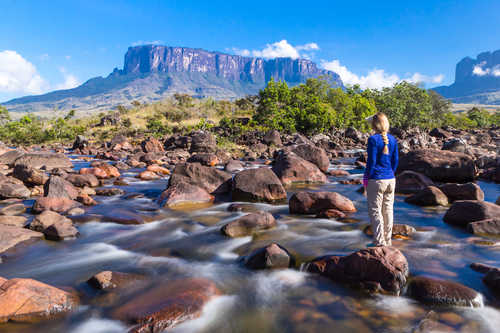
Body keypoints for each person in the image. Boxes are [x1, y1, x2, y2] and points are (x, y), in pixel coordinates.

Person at [363, 112, 398, 246]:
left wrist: (366, 179)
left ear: (374, 124)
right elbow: (395, 161)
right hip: (390, 180)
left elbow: (371, 163)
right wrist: (390, 173)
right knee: (388, 210)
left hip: (376, 180)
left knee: (375, 211)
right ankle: (388, 241)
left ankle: (379, 241)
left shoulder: (373, 140)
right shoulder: (393, 140)